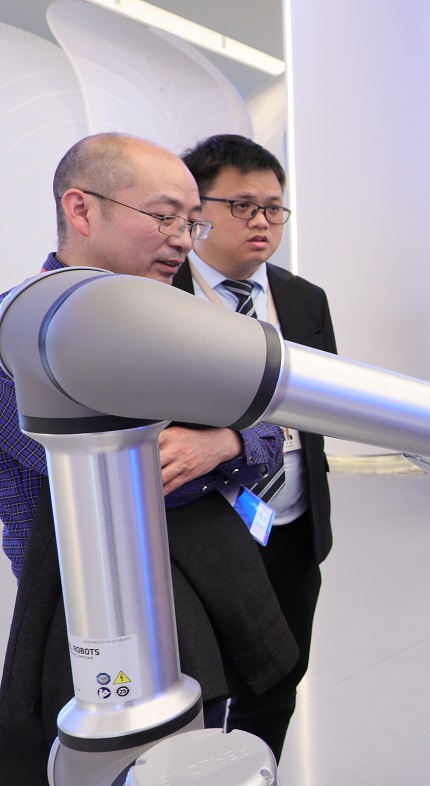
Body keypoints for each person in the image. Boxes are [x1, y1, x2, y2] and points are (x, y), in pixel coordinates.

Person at [0, 133, 295, 783]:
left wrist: (222, 442)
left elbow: (271, 430)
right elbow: (121, 478)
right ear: (81, 209)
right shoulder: (19, 334)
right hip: (92, 621)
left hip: (214, 589)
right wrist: (223, 442)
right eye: (164, 217)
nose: (183, 240)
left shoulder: (179, 320)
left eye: (191, 222)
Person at [175, 133, 337, 760]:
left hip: (292, 524)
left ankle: (257, 769)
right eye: (243, 206)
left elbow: (324, 401)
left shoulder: (303, 298)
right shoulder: (160, 295)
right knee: (201, 681)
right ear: (198, 210)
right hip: (200, 528)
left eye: (273, 208)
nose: (262, 222)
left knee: (281, 674)